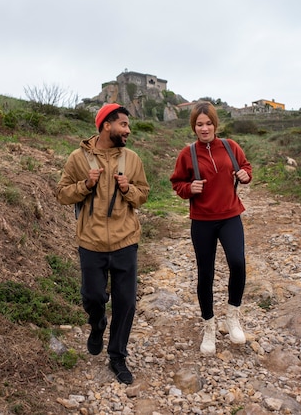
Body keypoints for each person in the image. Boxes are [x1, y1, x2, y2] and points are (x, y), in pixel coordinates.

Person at [56, 103, 150, 384]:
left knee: (126, 302)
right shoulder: (77, 158)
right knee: (93, 297)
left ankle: (117, 356)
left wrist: (128, 189)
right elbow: (61, 194)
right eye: (123, 125)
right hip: (91, 241)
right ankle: (97, 325)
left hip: (125, 240)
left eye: (129, 126)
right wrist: (85, 184)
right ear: (106, 125)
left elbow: (143, 194)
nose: (128, 131)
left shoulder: (132, 159)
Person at [169, 101, 252, 355]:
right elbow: (177, 183)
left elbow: (246, 167)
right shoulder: (188, 153)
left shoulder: (230, 146)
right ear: (193, 127)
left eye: (208, 123)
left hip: (230, 216)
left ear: (215, 124)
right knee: (205, 273)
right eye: (198, 124)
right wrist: (188, 189)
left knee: (237, 263)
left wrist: (246, 175)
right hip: (202, 220)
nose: (204, 129)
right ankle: (208, 327)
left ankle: (233, 317)